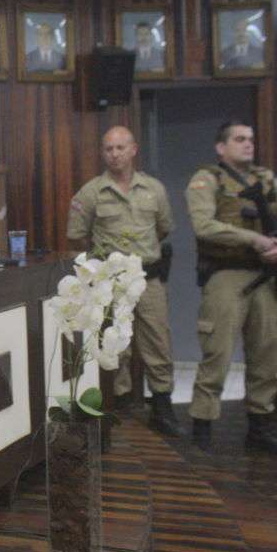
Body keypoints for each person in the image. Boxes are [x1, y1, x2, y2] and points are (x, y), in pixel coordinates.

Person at [185, 119, 277, 453]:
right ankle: (203, 429)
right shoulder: (208, 180)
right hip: (226, 275)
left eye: (251, 138)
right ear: (221, 147)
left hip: (265, 277)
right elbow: (204, 225)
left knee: (266, 353)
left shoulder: (266, 179)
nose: (248, 144)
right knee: (217, 353)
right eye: (239, 139)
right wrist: (254, 239)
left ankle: (260, 427)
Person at [66, 126, 179, 435]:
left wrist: (139, 255)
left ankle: (162, 405)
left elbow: (164, 227)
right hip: (111, 283)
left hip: (148, 278)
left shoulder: (154, 189)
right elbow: (76, 235)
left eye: (120, 148)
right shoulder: (91, 193)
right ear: (103, 153)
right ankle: (119, 403)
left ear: (133, 150)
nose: (114, 154)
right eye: (108, 149)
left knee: (158, 339)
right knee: (115, 345)